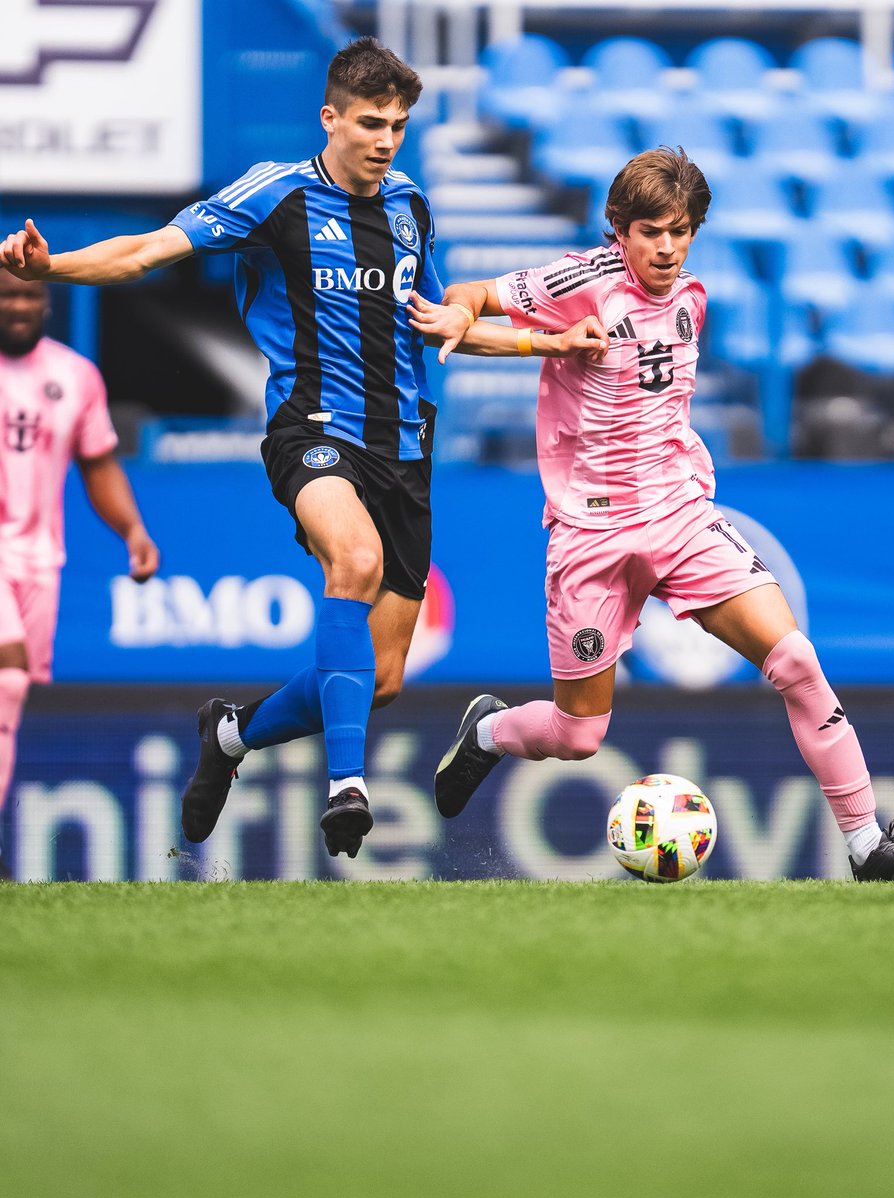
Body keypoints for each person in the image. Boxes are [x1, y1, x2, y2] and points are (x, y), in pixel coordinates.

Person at [0, 38, 605, 862]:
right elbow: (143, 252)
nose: (386, 140)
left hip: (404, 453)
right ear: (330, 118)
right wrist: (50, 267)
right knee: (349, 559)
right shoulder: (274, 194)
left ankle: (232, 738)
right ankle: (347, 787)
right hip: (311, 433)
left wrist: (553, 343)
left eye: (397, 124)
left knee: (381, 680)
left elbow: (440, 325)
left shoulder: (411, 206)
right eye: (369, 123)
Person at [410, 146, 894, 883]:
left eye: (679, 230)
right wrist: (523, 335)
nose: (665, 247)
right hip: (591, 531)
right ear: (619, 231)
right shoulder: (581, 282)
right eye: (649, 232)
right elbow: (472, 298)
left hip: (678, 515)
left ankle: (866, 844)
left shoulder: (694, 297)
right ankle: (491, 728)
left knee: (795, 659)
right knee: (578, 737)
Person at [0, 270, 159, 880]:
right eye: (7, 295)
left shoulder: (73, 375)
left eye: (29, 296)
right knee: (8, 680)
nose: (19, 306)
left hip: (40, 561)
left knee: (11, 694)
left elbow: (97, 464)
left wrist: (134, 532)